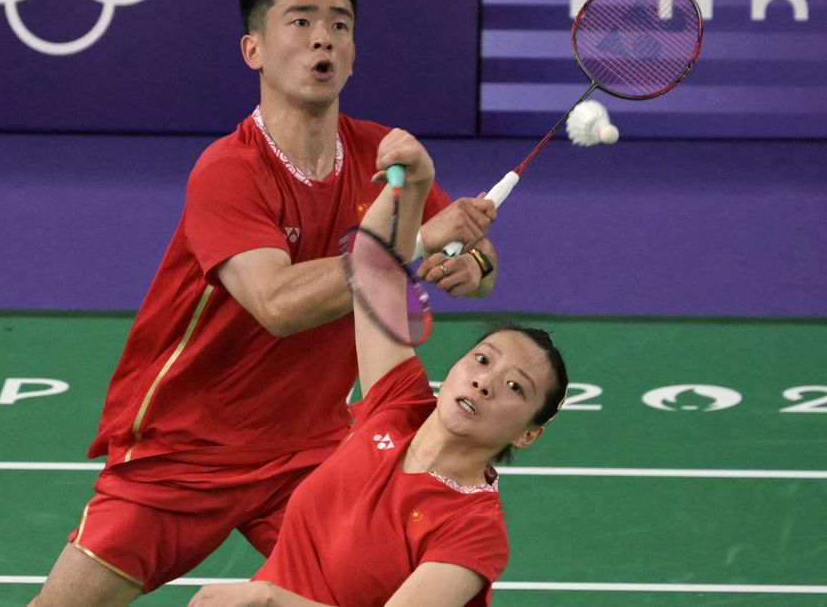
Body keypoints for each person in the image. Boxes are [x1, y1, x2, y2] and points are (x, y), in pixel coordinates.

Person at [29, 0, 499, 607]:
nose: (321, 38)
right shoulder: (227, 171)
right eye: (300, 20)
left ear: (354, 52)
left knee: (386, 591)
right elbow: (277, 304)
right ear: (253, 48)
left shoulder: (380, 156)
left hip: (311, 452)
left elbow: (471, 256)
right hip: (185, 450)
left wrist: (469, 264)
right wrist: (420, 240)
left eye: (339, 23)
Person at [188, 114, 569, 607]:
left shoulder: (473, 532)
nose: (484, 383)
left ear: (528, 434)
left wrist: (269, 600)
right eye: (481, 360)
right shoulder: (398, 403)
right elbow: (371, 271)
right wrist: (417, 186)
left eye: (516, 387)